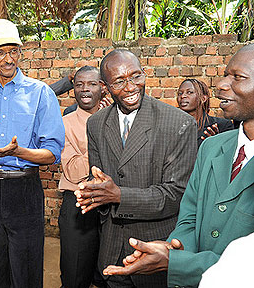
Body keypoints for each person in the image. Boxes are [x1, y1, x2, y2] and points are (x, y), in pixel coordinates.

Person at [102, 44, 254, 288]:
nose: (221, 84)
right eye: (226, 74)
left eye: (237, 77)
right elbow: (190, 215)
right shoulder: (211, 147)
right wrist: (176, 248)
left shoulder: (177, 124)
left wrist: (177, 261)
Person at [75, 49, 197, 288]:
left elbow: (176, 195)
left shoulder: (179, 123)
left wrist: (118, 195)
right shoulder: (96, 123)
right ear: (105, 86)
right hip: (111, 249)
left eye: (136, 76)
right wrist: (92, 193)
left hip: (156, 250)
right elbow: (99, 176)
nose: (131, 87)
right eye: (120, 81)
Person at [0, 18, 65, 288]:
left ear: (20, 51)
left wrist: (21, 152)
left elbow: (53, 153)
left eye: (13, 51)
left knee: (27, 270)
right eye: (0, 52)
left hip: (24, 191)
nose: (8, 59)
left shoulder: (40, 93)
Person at [58, 66, 105, 288]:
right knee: (75, 274)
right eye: (79, 84)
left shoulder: (119, 119)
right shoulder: (64, 124)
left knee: (109, 273)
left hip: (112, 207)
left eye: (92, 84)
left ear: (102, 88)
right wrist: (99, 134)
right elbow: (74, 170)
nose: (85, 89)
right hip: (78, 205)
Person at [177, 78, 233, 147]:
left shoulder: (222, 126)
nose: (183, 96)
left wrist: (216, 143)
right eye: (180, 93)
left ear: (203, 99)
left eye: (189, 92)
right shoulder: (173, 127)